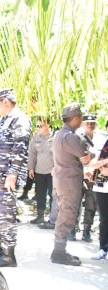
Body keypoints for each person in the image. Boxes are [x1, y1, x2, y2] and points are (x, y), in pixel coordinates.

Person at [0, 88, 30, 268]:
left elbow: (20, 149)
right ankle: (1, 248)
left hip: (6, 176)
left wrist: (13, 174)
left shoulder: (19, 119)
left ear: (5, 101)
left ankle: (9, 254)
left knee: (6, 213)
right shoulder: (4, 120)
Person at [51, 104, 93, 265]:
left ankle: (60, 249)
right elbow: (85, 157)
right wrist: (90, 154)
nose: (81, 120)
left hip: (63, 179)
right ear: (75, 118)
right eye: (80, 117)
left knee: (65, 211)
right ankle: (59, 252)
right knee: (68, 213)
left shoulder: (59, 134)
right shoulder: (70, 137)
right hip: (69, 181)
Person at [27, 115, 55, 225]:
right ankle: (40, 216)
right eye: (37, 126)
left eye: (41, 125)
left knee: (53, 195)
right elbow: (32, 154)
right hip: (39, 171)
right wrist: (30, 168)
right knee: (40, 194)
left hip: (52, 172)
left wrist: (56, 168)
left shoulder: (54, 137)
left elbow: (58, 155)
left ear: (47, 125)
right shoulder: (35, 138)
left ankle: (53, 218)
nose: (38, 128)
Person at [75, 114, 98, 242]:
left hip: (93, 178)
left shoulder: (99, 139)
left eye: (92, 123)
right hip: (78, 176)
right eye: (88, 123)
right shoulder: (77, 138)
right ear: (83, 124)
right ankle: (72, 229)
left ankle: (86, 232)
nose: (90, 125)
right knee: (75, 204)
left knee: (91, 205)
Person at [89, 121, 108, 260]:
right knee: (104, 219)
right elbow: (93, 162)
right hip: (101, 185)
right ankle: (103, 249)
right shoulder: (101, 142)